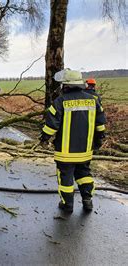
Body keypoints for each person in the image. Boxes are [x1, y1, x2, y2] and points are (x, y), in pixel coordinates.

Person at [40, 69, 106, 213]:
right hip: (85, 150)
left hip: (65, 153)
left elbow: (51, 126)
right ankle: (87, 201)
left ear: (66, 85)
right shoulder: (93, 100)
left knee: (65, 178)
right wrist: (99, 139)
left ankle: (67, 204)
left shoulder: (60, 101)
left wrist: (44, 139)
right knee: (84, 174)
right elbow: (100, 124)